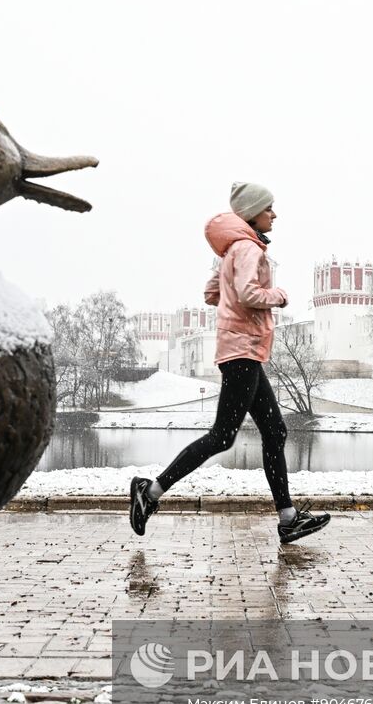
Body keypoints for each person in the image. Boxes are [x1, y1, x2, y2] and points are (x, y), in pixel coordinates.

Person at [129, 182, 330, 544]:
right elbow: (248, 294)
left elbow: (211, 294)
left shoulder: (232, 251)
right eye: (269, 208)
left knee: (275, 432)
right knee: (222, 436)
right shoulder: (247, 248)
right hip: (242, 352)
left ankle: (287, 518)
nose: (274, 214)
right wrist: (280, 297)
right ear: (252, 212)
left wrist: (232, 285)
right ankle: (150, 492)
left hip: (242, 352)